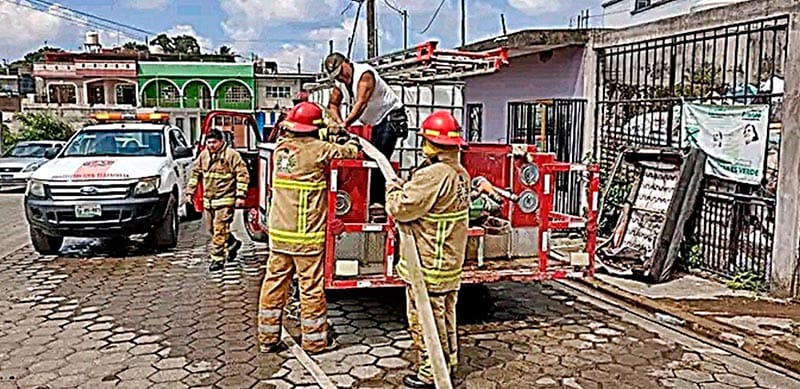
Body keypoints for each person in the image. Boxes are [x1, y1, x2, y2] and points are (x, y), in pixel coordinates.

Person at [258, 102, 361, 354]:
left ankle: (267, 338)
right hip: (306, 235)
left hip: (279, 234)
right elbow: (352, 153)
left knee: (274, 283)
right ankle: (314, 341)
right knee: (311, 288)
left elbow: (305, 140)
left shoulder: (281, 149)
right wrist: (349, 138)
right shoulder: (320, 149)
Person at [385, 111, 470, 389]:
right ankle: (448, 362)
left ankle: (430, 373)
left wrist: (392, 190)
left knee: (426, 321)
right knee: (445, 315)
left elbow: (401, 208)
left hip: (428, 264)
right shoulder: (460, 173)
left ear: (432, 144)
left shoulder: (434, 175)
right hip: (449, 263)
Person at [323, 52, 408, 213]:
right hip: (376, 122)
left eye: (341, 72)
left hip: (391, 117)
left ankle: (378, 203)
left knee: (379, 157)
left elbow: (361, 103)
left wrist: (345, 124)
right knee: (371, 157)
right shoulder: (340, 84)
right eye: (336, 76)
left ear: (347, 63)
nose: (341, 77)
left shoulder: (365, 75)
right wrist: (338, 121)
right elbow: (333, 104)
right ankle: (372, 200)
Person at [186, 128, 250, 272]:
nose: (211, 145)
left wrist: (240, 196)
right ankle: (233, 243)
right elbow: (195, 174)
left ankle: (217, 259)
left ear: (221, 141)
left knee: (219, 230)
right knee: (211, 230)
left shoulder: (232, 155)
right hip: (209, 201)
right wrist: (190, 192)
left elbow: (242, 175)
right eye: (209, 142)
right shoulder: (204, 156)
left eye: (214, 142)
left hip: (226, 199)